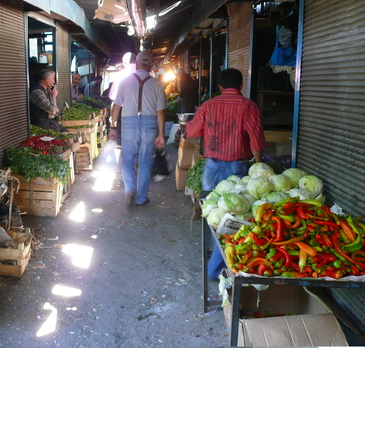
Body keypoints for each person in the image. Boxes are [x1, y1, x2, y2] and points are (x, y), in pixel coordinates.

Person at [185, 67, 266, 279]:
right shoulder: (248, 106)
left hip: (211, 168)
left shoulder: (208, 106)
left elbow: (192, 132)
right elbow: (256, 139)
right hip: (236, 169)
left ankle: (214, 257)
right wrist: (259, 166)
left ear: (220, 87)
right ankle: (216, 267)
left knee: (214, 212)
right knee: (233, 218)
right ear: (241, 85)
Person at [109, 50, 166, 207]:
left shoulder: (125, 81)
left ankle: (130, 187)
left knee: (127, 159)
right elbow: (160, 112)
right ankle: (141, 198)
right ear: (151, 66)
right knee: (145, 162)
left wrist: (112, 126)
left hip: (129, 123)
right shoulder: (157, 84)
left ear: (136, 64)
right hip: (150, 124)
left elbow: (116, 105)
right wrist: (161, 133)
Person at [29, 68, 69, 133]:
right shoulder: (37, 92)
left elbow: (56, 111)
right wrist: (54, 96)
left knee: (68, 134)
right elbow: (52, 110)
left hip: (51, 124)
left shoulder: (47, 91)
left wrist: (53, 111)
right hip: (42, 127)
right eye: (53, 78)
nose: (54, 82)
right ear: (48, 79)